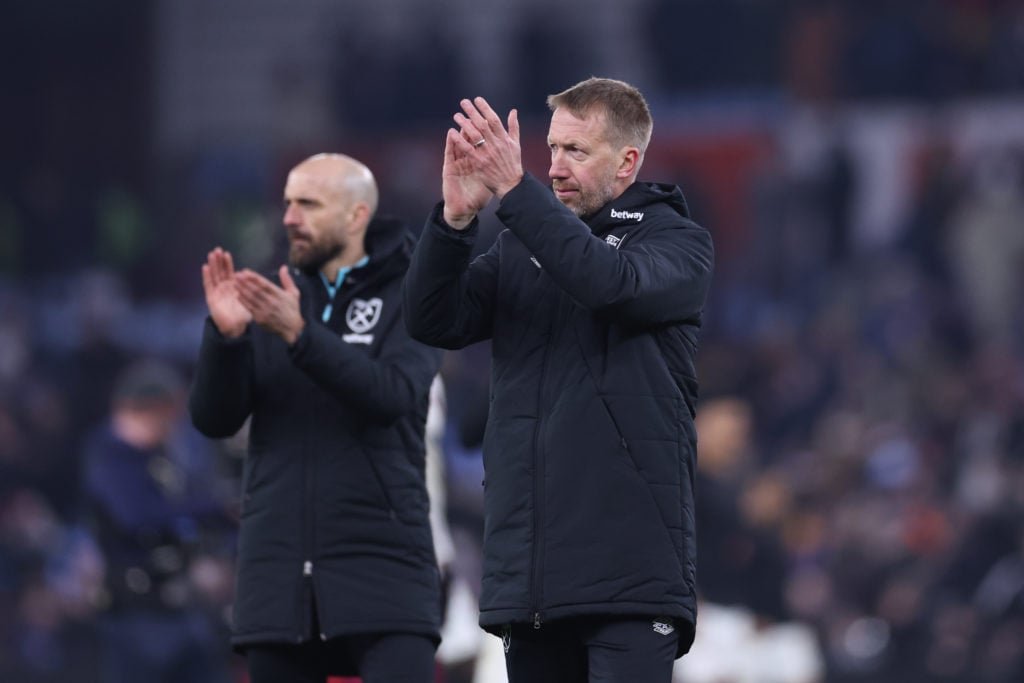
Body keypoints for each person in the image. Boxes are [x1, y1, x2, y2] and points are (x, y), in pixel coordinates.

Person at [403, 77, 714, 682]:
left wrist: (517, 192)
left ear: (628, 161)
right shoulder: (523, 247)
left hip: (631, 577)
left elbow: (607, 283)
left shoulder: (677, 242)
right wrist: (455, 220)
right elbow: (432, 319)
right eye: (552, 149)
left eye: (577, 151)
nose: (556, 166)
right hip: (533, 578)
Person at [189, 153, 445, 683]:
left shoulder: (413, 291)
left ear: (356, 217)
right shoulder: (268, 293)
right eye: (286, 203)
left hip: (384, 568)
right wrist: (226, 339)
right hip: (277, 577)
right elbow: (214, 420)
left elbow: (392, 395)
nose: (288, 218)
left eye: (307, 204)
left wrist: (302, 338)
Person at [80, 357, 236, 683]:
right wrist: (212, 509)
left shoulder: (164, 456)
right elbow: (135, 516)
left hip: (183, 608)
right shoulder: (108, 455)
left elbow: (187, 509)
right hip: (135, 616)